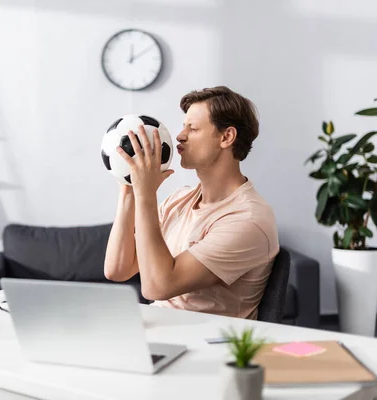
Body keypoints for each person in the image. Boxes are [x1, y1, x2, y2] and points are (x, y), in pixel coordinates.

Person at [103, 86, 279, 320]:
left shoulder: (247, 219)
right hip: (159, 327)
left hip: (206, 342)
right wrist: (129, 191)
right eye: (184, 126)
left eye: (193, 128)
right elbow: (117, 270)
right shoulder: (180, 200)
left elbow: (157, 288)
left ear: (227, 137)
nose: (179, 136)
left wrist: (146, 195)